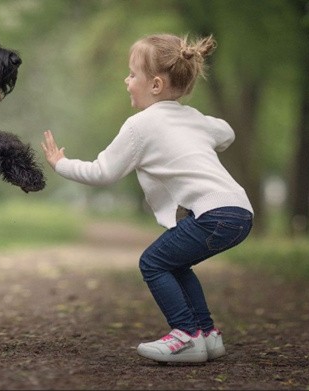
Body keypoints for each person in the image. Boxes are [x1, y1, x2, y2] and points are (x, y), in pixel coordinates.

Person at [41, 33, 253, 363]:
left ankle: (185, 335)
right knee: (177, 264)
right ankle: (208, 335)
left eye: (131, 74)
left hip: (213, 214)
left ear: (155, 85)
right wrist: (200, 132)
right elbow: (226, 132)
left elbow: (103, 172)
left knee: (152, 262)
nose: (126, 82)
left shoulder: (141, 125)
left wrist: (61, 164)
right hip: (239, 211)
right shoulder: (193, 118)